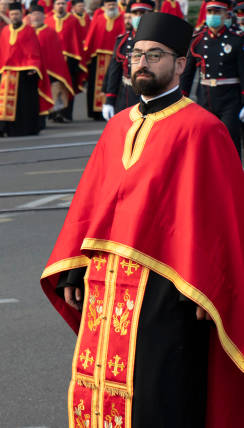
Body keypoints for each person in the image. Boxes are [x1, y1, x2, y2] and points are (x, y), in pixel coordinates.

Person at [40, 12, 244, 428]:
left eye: (155, 55)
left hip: (167, 289)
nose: (142, 63)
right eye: (136, 55)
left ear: (181, 64)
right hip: (106, 285)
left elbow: (223, 219)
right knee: (102, 387)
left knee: (157, 390)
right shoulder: (117, 127)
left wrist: (208, 288)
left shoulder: (203, 129)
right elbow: (90, 208)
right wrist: (74, 272)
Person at [181, 0, 244, 158]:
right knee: (204, 144)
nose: (213, 16)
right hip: (205, 99)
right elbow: (187, 76)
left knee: (230, 143)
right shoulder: (198, 41)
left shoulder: (236, 41)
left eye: (217, 12)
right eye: (210, 12)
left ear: (225, 14)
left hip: (230, 102)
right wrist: (180, 99)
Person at [0, 2, 53, 137]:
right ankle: (0, 127)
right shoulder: (5, 30)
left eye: (17, 14)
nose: (14, 16)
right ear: (9, 15)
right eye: (12, 14)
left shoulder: (29, 30)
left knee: (22, 103)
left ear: (21, 14)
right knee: (2, 102)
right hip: (7, 73)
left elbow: (34, 51)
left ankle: (20, 129)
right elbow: (1, 52)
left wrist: (33, 66)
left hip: (24, 73)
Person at [102, 0, 153, 120]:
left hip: (152, 95)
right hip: (126, 96)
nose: (138, 17)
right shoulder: (123, 41)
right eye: (135, 13)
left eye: (143, 13)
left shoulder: (160, 41)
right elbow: (114, 72)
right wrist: (109, 99)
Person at [29, 4, 75, 119]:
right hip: (30, 69)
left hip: (49, 69)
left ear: (43, 16)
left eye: (39, 15)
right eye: (34, 15)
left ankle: (53, 112)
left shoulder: (50, 32)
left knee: (52, 89)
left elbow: (55, 54)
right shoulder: (27, 31)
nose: (36, 18)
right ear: (30, 16)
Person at [82, 0, 124, 120]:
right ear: (104, 6)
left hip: (114, 57)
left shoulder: (121, 18)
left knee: (112, 82)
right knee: (95, 85)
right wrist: (87, 51)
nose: (111, 7)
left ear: (116, 6)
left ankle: (110, 107)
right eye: (108, 4)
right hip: (98, 56)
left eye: (113, 5)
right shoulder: (98, 18)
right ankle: (95, 111)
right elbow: (91, 35)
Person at [45, 0, 85, 122]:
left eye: (63, 3)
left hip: (69, 59)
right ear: (54, 6)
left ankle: (65, 113)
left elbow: (78, 40)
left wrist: (77, 60)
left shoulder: (73, 20)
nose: (60, 6)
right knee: (52, 86)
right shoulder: (48, 20)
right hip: (51, 60)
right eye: (58, 3)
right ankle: (53, 112)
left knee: (68, 85)